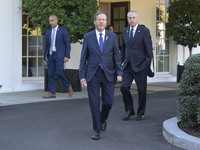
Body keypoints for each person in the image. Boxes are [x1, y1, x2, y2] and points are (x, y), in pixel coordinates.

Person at [79, 12, 122, 140]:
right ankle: (96, 129)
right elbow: (83, 58)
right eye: (99, 20)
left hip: (108, 74)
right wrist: (82, 76)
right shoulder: (88, 37)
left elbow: (116, 56)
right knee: (94, 102)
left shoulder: (112, 36)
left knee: (109, 102)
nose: (101, 22)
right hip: (92, 74)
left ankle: (103, 118)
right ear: (94, 22)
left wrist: (119, 72)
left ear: (106, 21)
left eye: (103, 20)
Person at [120, 11, 153, 121]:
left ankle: (140, 113)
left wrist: (146, 65)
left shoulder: (144, 31)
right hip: (128, 66)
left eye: (134, 18)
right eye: (130, 18)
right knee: (123, 87)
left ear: (138, 18)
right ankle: (129, 110)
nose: (132, 20)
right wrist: (121, 63)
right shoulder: (125, 31)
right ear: (127, 19)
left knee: (142, 90)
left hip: (140, 66)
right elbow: (124, 49)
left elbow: (149, 51)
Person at [43, 15, 73, 98]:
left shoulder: (63, 30)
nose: (51, 22)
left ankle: (68, 86)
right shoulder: (48, 32)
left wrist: (67, 56)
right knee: (51, 74)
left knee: (59, 72)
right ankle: (53, 92)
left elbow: (67, 44)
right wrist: (44, 57)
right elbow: (46, 45)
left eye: (52, 20)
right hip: (50, 55)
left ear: (57, 21)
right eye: (50, 21)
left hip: (59, 55)